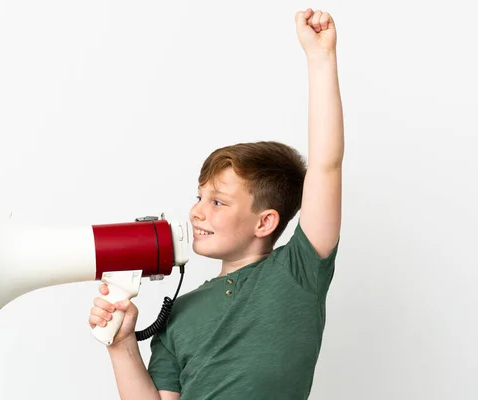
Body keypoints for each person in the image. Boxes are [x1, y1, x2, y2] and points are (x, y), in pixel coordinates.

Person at [89, 8, 344, 400]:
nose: (197, 212)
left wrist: (320, 58)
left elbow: (325, 166)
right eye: (199, 197)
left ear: (265, 222)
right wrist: (122, 346)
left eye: (219, 202)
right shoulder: (180, 314)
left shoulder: (298, 272)